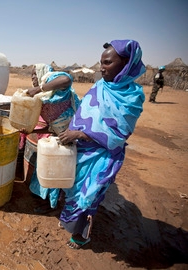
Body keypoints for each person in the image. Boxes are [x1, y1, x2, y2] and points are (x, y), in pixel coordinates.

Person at [58, 39, 146, 249]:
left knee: (89, 197)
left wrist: (79, 134)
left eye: (107, 63)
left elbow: (118, 136)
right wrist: (74, 133)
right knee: (73, 190)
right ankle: (70, 220)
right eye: (101, 62)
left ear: (126, 64)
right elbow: (84, 113)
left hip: (103, 156)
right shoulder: (99, 86)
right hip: (82, 151)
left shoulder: (132, 98)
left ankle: (80, 235)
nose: (101, 67)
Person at [23, 64, 80, 214]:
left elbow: (67, 79)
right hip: (56, 133)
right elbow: (49, 120)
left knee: (58, 170)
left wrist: (38, 88)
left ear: (43, 74)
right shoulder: (43, 96)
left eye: (35, 74)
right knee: (48, 167)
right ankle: (46, 199)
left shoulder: (52, 82)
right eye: (31, 75)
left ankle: (53, 205)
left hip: (70, 133)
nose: (33, 78)